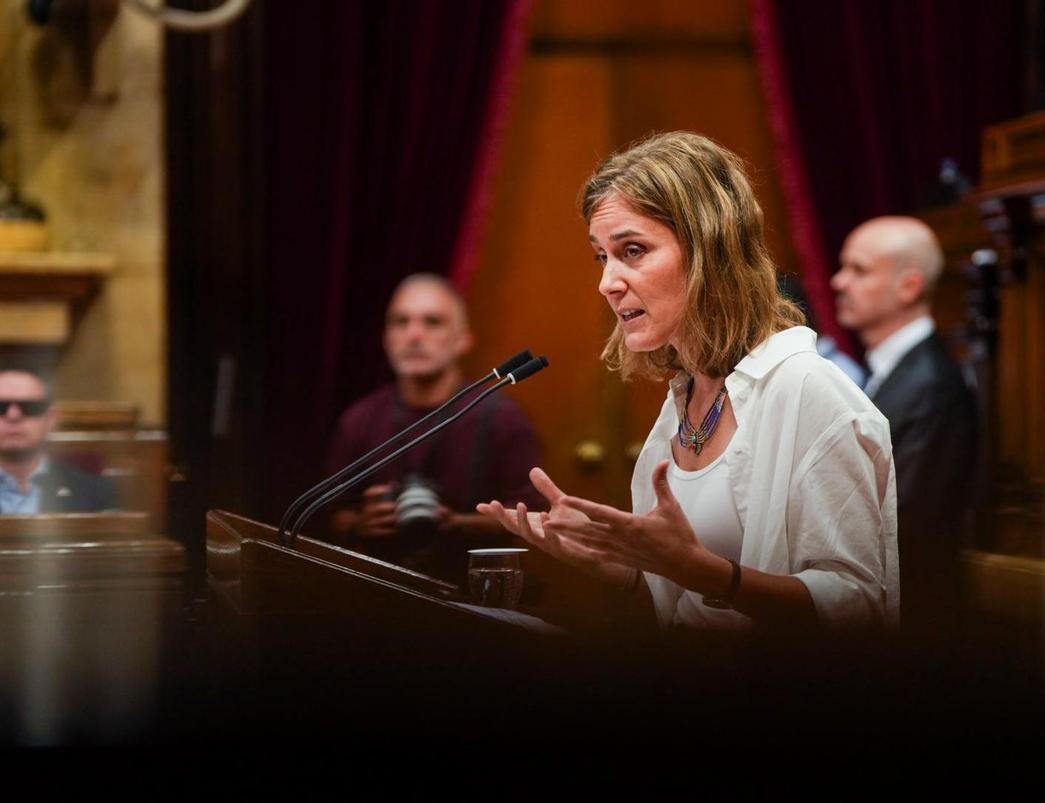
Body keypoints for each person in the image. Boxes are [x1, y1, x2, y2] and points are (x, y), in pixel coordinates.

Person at [478, 132, 898, 633]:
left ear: (709, 252)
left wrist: (709, 575)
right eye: (602, 257)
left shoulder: (809, 390)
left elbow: (860, 608)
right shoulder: (685, 397)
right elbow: (687, 602)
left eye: (632, 250)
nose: (607, 281)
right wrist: (616, 564)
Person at [325, 273, 542, 577]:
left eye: (433, 322)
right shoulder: (359, 419)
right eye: (401, 322)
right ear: (387, 338)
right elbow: (331, 514)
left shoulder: (503, 418)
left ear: (462, 339)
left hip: (467, 592)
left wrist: (455, 523)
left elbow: (533, 518)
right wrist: (361, 523)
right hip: (378, 586)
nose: (414, 335)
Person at [830, 216, 978, 632]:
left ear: (909, 286)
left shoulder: (932, 383)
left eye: (858, 270)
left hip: (911, 623)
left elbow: (906, 525)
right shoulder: (897, 371)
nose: (839, 282)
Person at [0, 364, 117, 514]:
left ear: (51, 420)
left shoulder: (96, 493)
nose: (13, 416)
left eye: (30, 407)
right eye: (1, 407)